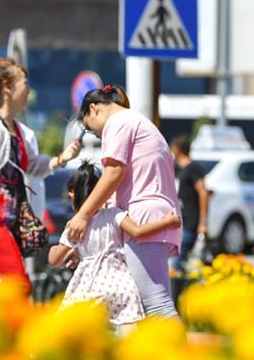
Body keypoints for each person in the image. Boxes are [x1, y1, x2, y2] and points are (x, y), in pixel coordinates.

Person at [0, 57, 82, 289]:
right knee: (16, 285)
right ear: (7, 87)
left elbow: (31, 165)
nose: (28, 90)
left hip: (7, 222)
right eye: (24, 83)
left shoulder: (14, 127)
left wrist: (62, 158)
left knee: (7, 285)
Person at [65, 85, 183, 318]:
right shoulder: (133, 120)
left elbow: (113, 173)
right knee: (155, 305)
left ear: (94, 109)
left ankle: (178, 344)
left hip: (144, 215)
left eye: (90, 129)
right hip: (154, 214)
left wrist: (82, 215)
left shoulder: (118, 123)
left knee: (157, 306)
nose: (97, 135)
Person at [49, 162, 181, 335]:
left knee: (77, 330)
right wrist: (167, 222)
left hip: (89, 286)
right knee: (128, 327)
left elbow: (54, 260)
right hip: (120, 283)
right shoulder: (114, 213)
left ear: (72, 195)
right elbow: (138, 231)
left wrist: (56, 249)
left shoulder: (75, 225)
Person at [170, 134, 209, 271]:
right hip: (176, 221)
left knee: (176, 264)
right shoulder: (175, 168)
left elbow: (203, 193)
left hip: (189, 221)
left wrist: (203, 222)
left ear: (177, 149)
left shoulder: (194, 168)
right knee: (176, 264)